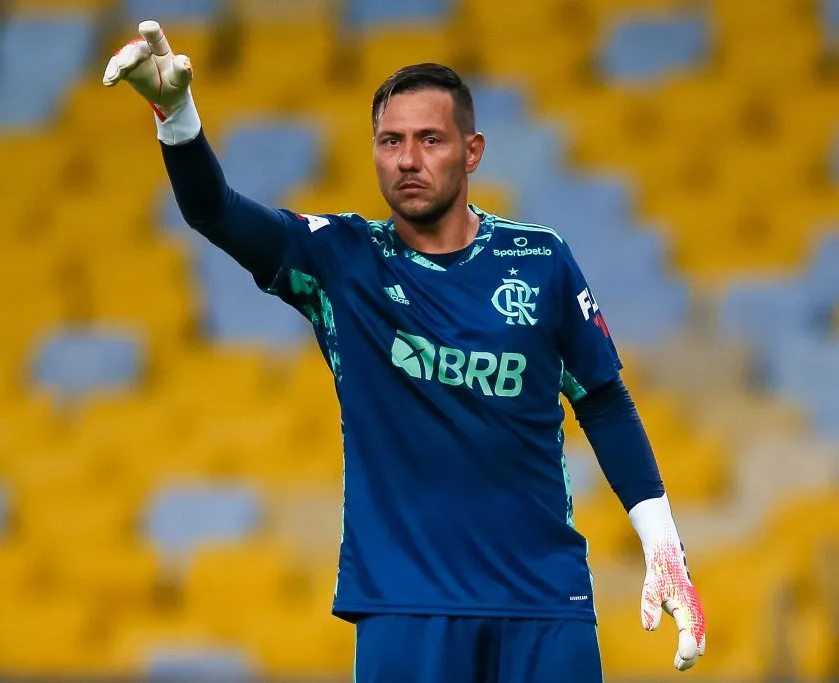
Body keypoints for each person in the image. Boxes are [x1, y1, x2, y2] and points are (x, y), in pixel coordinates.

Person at [103, 20, 707, 682]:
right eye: (390, 141)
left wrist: (662, 544)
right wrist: (176, 115)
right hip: (405, 608)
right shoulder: (341, 259)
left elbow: (603, 399)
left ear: (471, 151)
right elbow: (214, 210)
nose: (407, 159)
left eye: (429, 140)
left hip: (542, 603)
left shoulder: (541, 260)